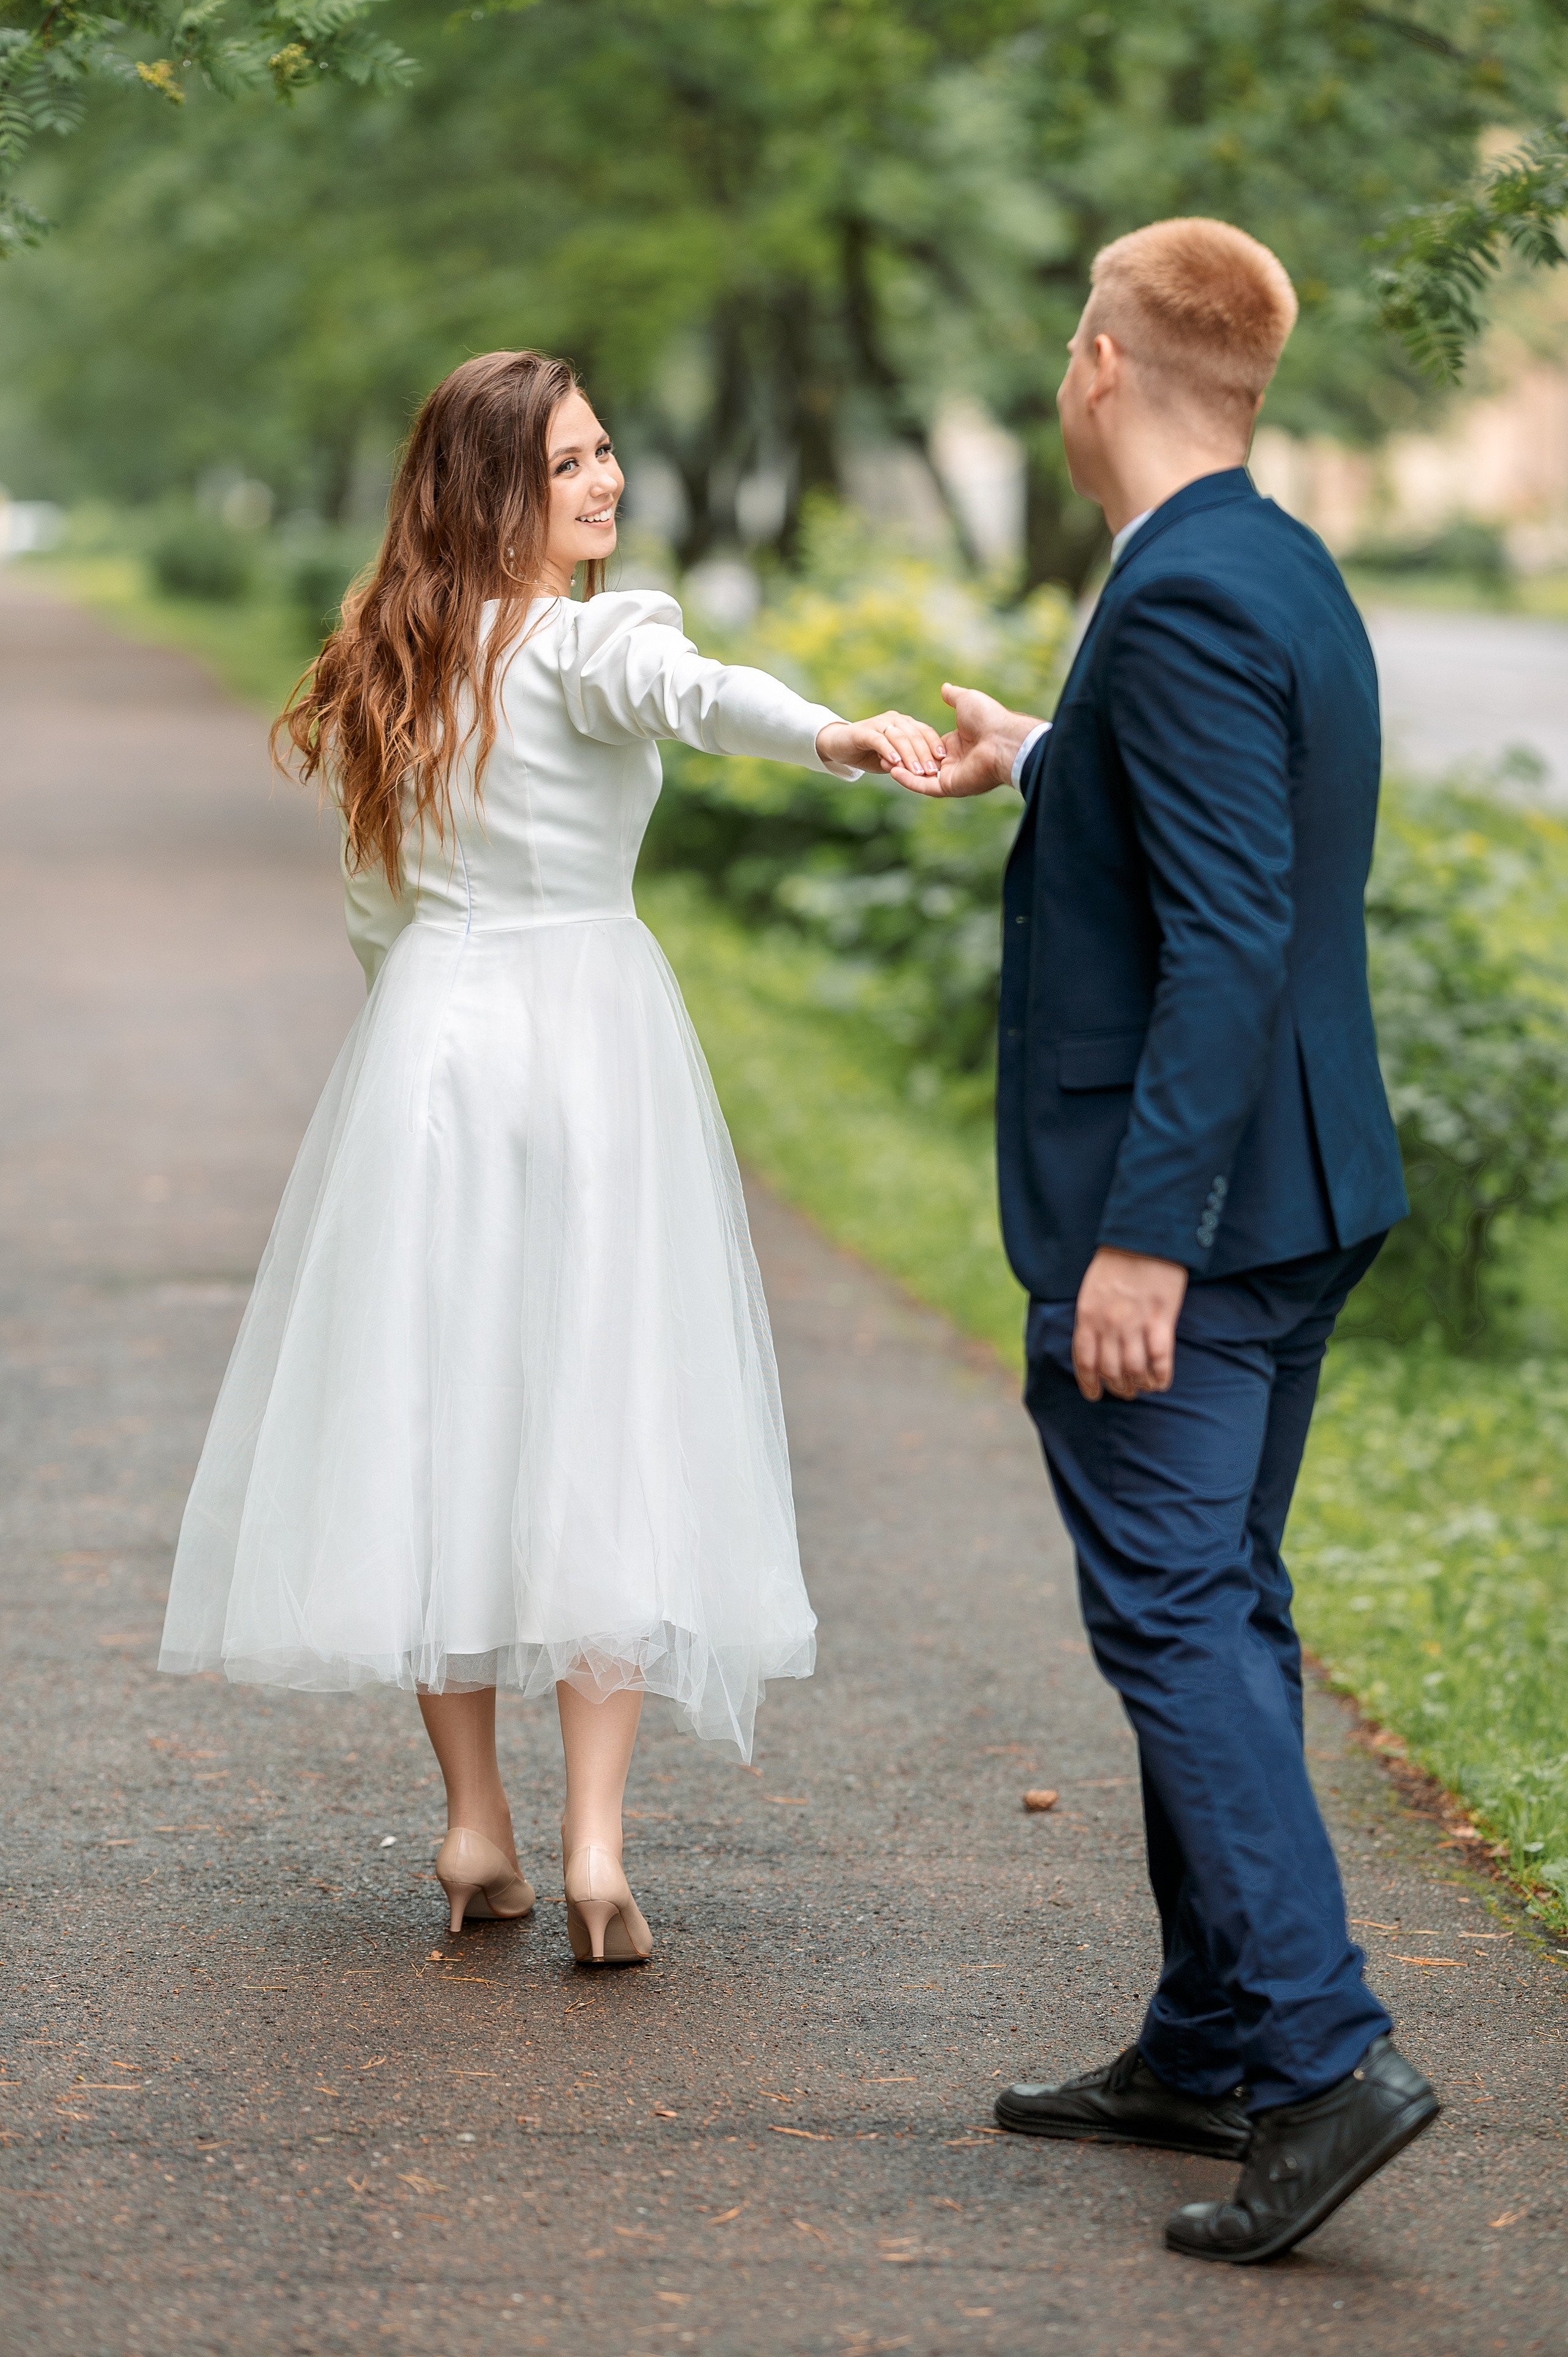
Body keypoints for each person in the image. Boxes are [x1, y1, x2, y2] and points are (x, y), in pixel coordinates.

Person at [157, 349, 943, 1965]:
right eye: (572, 462)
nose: (607, 482)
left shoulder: (394, 663)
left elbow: (377, 910)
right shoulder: (594, 642)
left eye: (606, 456)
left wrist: (418, 1044)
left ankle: (474, 1828)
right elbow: (695, 696)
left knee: (435, 1415)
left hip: (431, 1045)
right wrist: (835, 737)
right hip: (589, 1034)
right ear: (497, 490)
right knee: (604, 1404)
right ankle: (594, 1851)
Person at [905, 220, 1439, 2261]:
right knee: (1227, 1599)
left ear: (1101, 363)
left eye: (1068, 347)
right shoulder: (1268, 560)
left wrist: (1146, 1245)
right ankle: (1209, 2034)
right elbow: (1235, 851)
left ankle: (1316, 2062)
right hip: (1301, 1190)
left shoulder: (1192, 591)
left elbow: (1229, 938)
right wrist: (1040, 760)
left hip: (1195, 1225)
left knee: (1174, 1617)